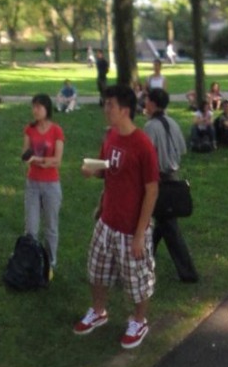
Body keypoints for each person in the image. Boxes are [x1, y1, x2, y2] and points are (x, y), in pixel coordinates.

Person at [73, 84, 161, 350]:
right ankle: (98, 311)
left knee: (137, 281)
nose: (105, 109)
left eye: (110, 105)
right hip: (107, 221)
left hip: (131, 228)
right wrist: (92, 171)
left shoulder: (142, 145)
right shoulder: (111, 136)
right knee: (96, 270)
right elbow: (107, 169)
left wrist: (140, 234)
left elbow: (152, 191)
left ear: (125, 110)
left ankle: (139, 321)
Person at [141, 89, 198, 283]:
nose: (145, 103)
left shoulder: (151, 127)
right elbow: (181, 149)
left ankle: (188, 272)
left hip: (159, 181)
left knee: (168, 227)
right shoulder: (172, 122)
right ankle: (146, 255)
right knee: (161, 221)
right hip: (172, 176)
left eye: (147, 100)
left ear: (153, 103)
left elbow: (146, 156)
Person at [23, 94, 67, 274]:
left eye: (38, 107)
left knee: (51, 226)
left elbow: (57, 161)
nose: (35, 110)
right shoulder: (29, 129)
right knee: (31, 227)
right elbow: (25, 154)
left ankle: (50, 261)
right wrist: (33, 158)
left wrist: (39, 160)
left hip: (51, 185)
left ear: (47, 109)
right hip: (33, 183)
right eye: (33, 106)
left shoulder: (56, 131)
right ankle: (30, 259)